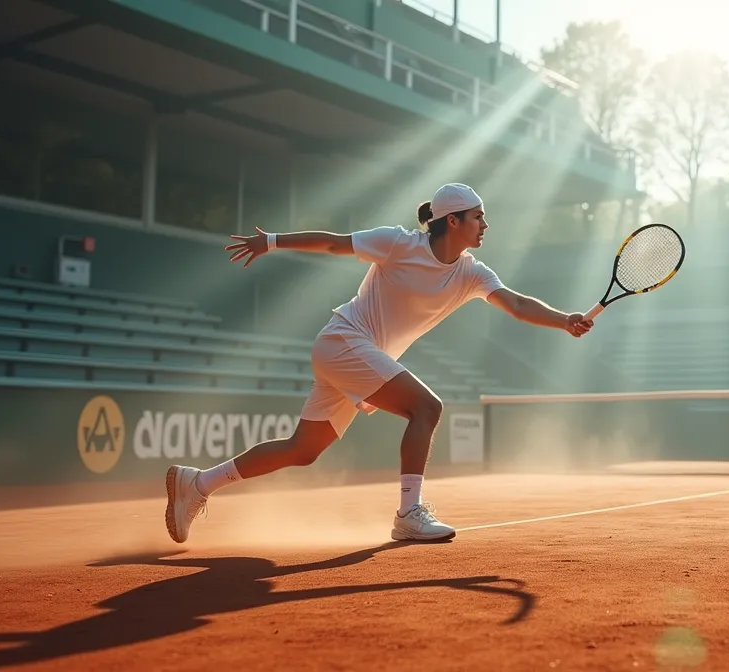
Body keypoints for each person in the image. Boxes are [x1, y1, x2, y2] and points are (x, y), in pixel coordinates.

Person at [164, 183, 593, 545]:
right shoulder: (399, 243)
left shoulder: (471, 273)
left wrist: (564, 320)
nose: (485, 225)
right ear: (453, 220)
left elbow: (517, 304)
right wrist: (272, 241)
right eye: (478, 216)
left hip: (351, 354)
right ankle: (409, 513)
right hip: (344, 341)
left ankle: (197, 483)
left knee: (303, 450)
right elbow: (334, 242)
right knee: (427, 408)